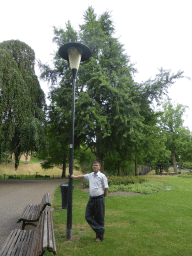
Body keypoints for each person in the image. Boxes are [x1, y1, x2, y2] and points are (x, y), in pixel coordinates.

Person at [71, 161, 109, 242]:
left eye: (96, 165)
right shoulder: (90, 175)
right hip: (91, 198)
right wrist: (74, 177)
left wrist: (104, 196)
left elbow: (106, 187)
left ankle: (99, 237)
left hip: (99, 198)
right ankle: (100, 229)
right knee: (87, 216)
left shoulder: (102, 176)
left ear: (99, 167)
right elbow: (82, 176)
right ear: (92, 167)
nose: (95, 166)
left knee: (99, 217)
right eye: (93, 165)